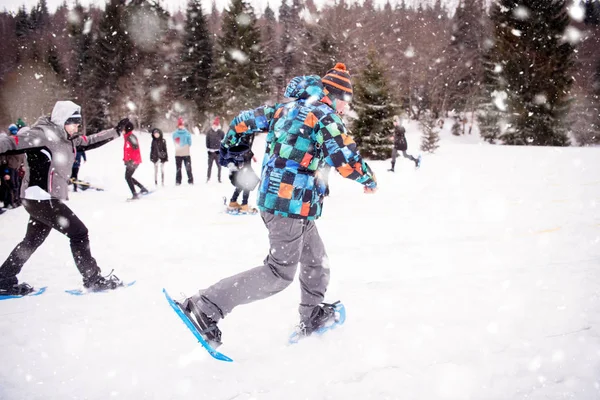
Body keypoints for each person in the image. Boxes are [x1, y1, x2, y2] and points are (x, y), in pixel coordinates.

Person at [180, 63, 377, 346]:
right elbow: (345, 158)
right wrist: (368, 179)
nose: (345, 108)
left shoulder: (283, 109)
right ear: (332, 96)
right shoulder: (323, 115)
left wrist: (233, 149)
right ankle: (205, 307)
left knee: (316, 261)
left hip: (291, 205)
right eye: (345, 101)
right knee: (278, 273)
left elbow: (242, 120)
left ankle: (312, 317)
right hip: (288, 206)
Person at [0, 100, 129, 296]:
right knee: (79, 233)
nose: (77, 126)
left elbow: (90, 141)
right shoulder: (41, 135)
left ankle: (4, 278)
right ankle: (92, 278)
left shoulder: (68, 141)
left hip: (40, 200)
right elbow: (10, 142)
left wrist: (116, 131)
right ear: (62, 121)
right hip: (41, 199)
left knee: (32, 240)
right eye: (74, 122)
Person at [224, 133, 259, 213]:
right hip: (243, 165)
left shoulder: (245, 135)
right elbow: (242, 146)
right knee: (248, 183)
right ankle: (244, 205)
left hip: (243, 164)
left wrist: (251, 155)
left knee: (242, 184)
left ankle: (233, 201)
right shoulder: (244, 134)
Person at [122, 121, 148, 200]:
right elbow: (127, 150)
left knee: (127, 177)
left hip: (133, 161)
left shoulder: (131, 137)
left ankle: (135, 194)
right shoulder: (127, 137)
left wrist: (131, 160)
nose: (122, 130)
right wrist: (126, 159)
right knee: (128, 177)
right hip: (131, 161)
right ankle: (142, 188)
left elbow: (136, 150)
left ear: (126, 129)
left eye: (123, 129)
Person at [172, 117, 193, 185]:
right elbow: (175, 142)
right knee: (178, 168)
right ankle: (178, 181)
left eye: (182, 125)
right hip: (178, 154)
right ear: (178, 126)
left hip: (186, 153)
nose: (181, 126)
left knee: (188, 168)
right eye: (180, 125)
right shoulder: (175, 134)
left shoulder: (187, 133)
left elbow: (190, 142)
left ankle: (190, 180)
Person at [206, 116, 224, 183]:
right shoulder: (209, 132)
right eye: (214, 125)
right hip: (211, 152)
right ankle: (208, 178)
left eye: (216, 125)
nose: (215, 126)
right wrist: (208, 149)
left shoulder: (221, 132)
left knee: (219, 166)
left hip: (218, 152)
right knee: (209, 166)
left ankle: (219, 178)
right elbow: (207, 141)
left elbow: (223, 141)